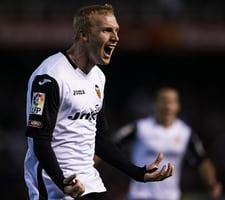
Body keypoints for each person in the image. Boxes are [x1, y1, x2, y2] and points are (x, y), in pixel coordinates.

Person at [23, 4, 174, 200]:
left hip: (91, 184)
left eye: (117, 31)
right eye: (107, 30)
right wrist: (62, 182)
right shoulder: (50, 76)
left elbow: (99, 139)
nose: (116, 37)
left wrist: (137, 173)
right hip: (56, 187)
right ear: (83, 35)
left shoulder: (98, 78)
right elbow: (39, 140)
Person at [111, 86, 223, 200]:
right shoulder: (139, 128)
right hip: (140, 196)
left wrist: (211, 182)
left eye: (171, 101)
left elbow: (201, 160)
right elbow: (109, 146)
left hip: (170, 197)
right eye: (163, 100)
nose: (167, 105)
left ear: (178, 106)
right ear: (154, 104)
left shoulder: (185, 133)